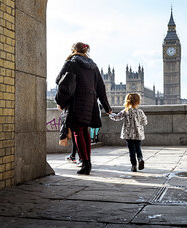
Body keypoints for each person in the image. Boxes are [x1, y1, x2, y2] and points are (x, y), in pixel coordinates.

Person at [56, 42, 111, 175]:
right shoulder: (93, 66)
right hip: (90, 103)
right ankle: (88, 162)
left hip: (76, 102)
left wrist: (60, 101)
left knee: (77, 132)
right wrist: (107, 107)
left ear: (74, 50)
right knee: (84, 132)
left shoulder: (71, 62)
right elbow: (101, 88)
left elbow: (60, 80)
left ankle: (85, 164)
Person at [109, 93, 148, 172]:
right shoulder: (140, 112)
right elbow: (145, 122)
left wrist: (110, 114)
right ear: (138, 101)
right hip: (138, 134)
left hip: (128, 134)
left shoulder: (126, 111)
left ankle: (134, 165)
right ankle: (140, 159)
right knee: (138, 148)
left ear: (128, 101)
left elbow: (117, 117)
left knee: (131, 150)